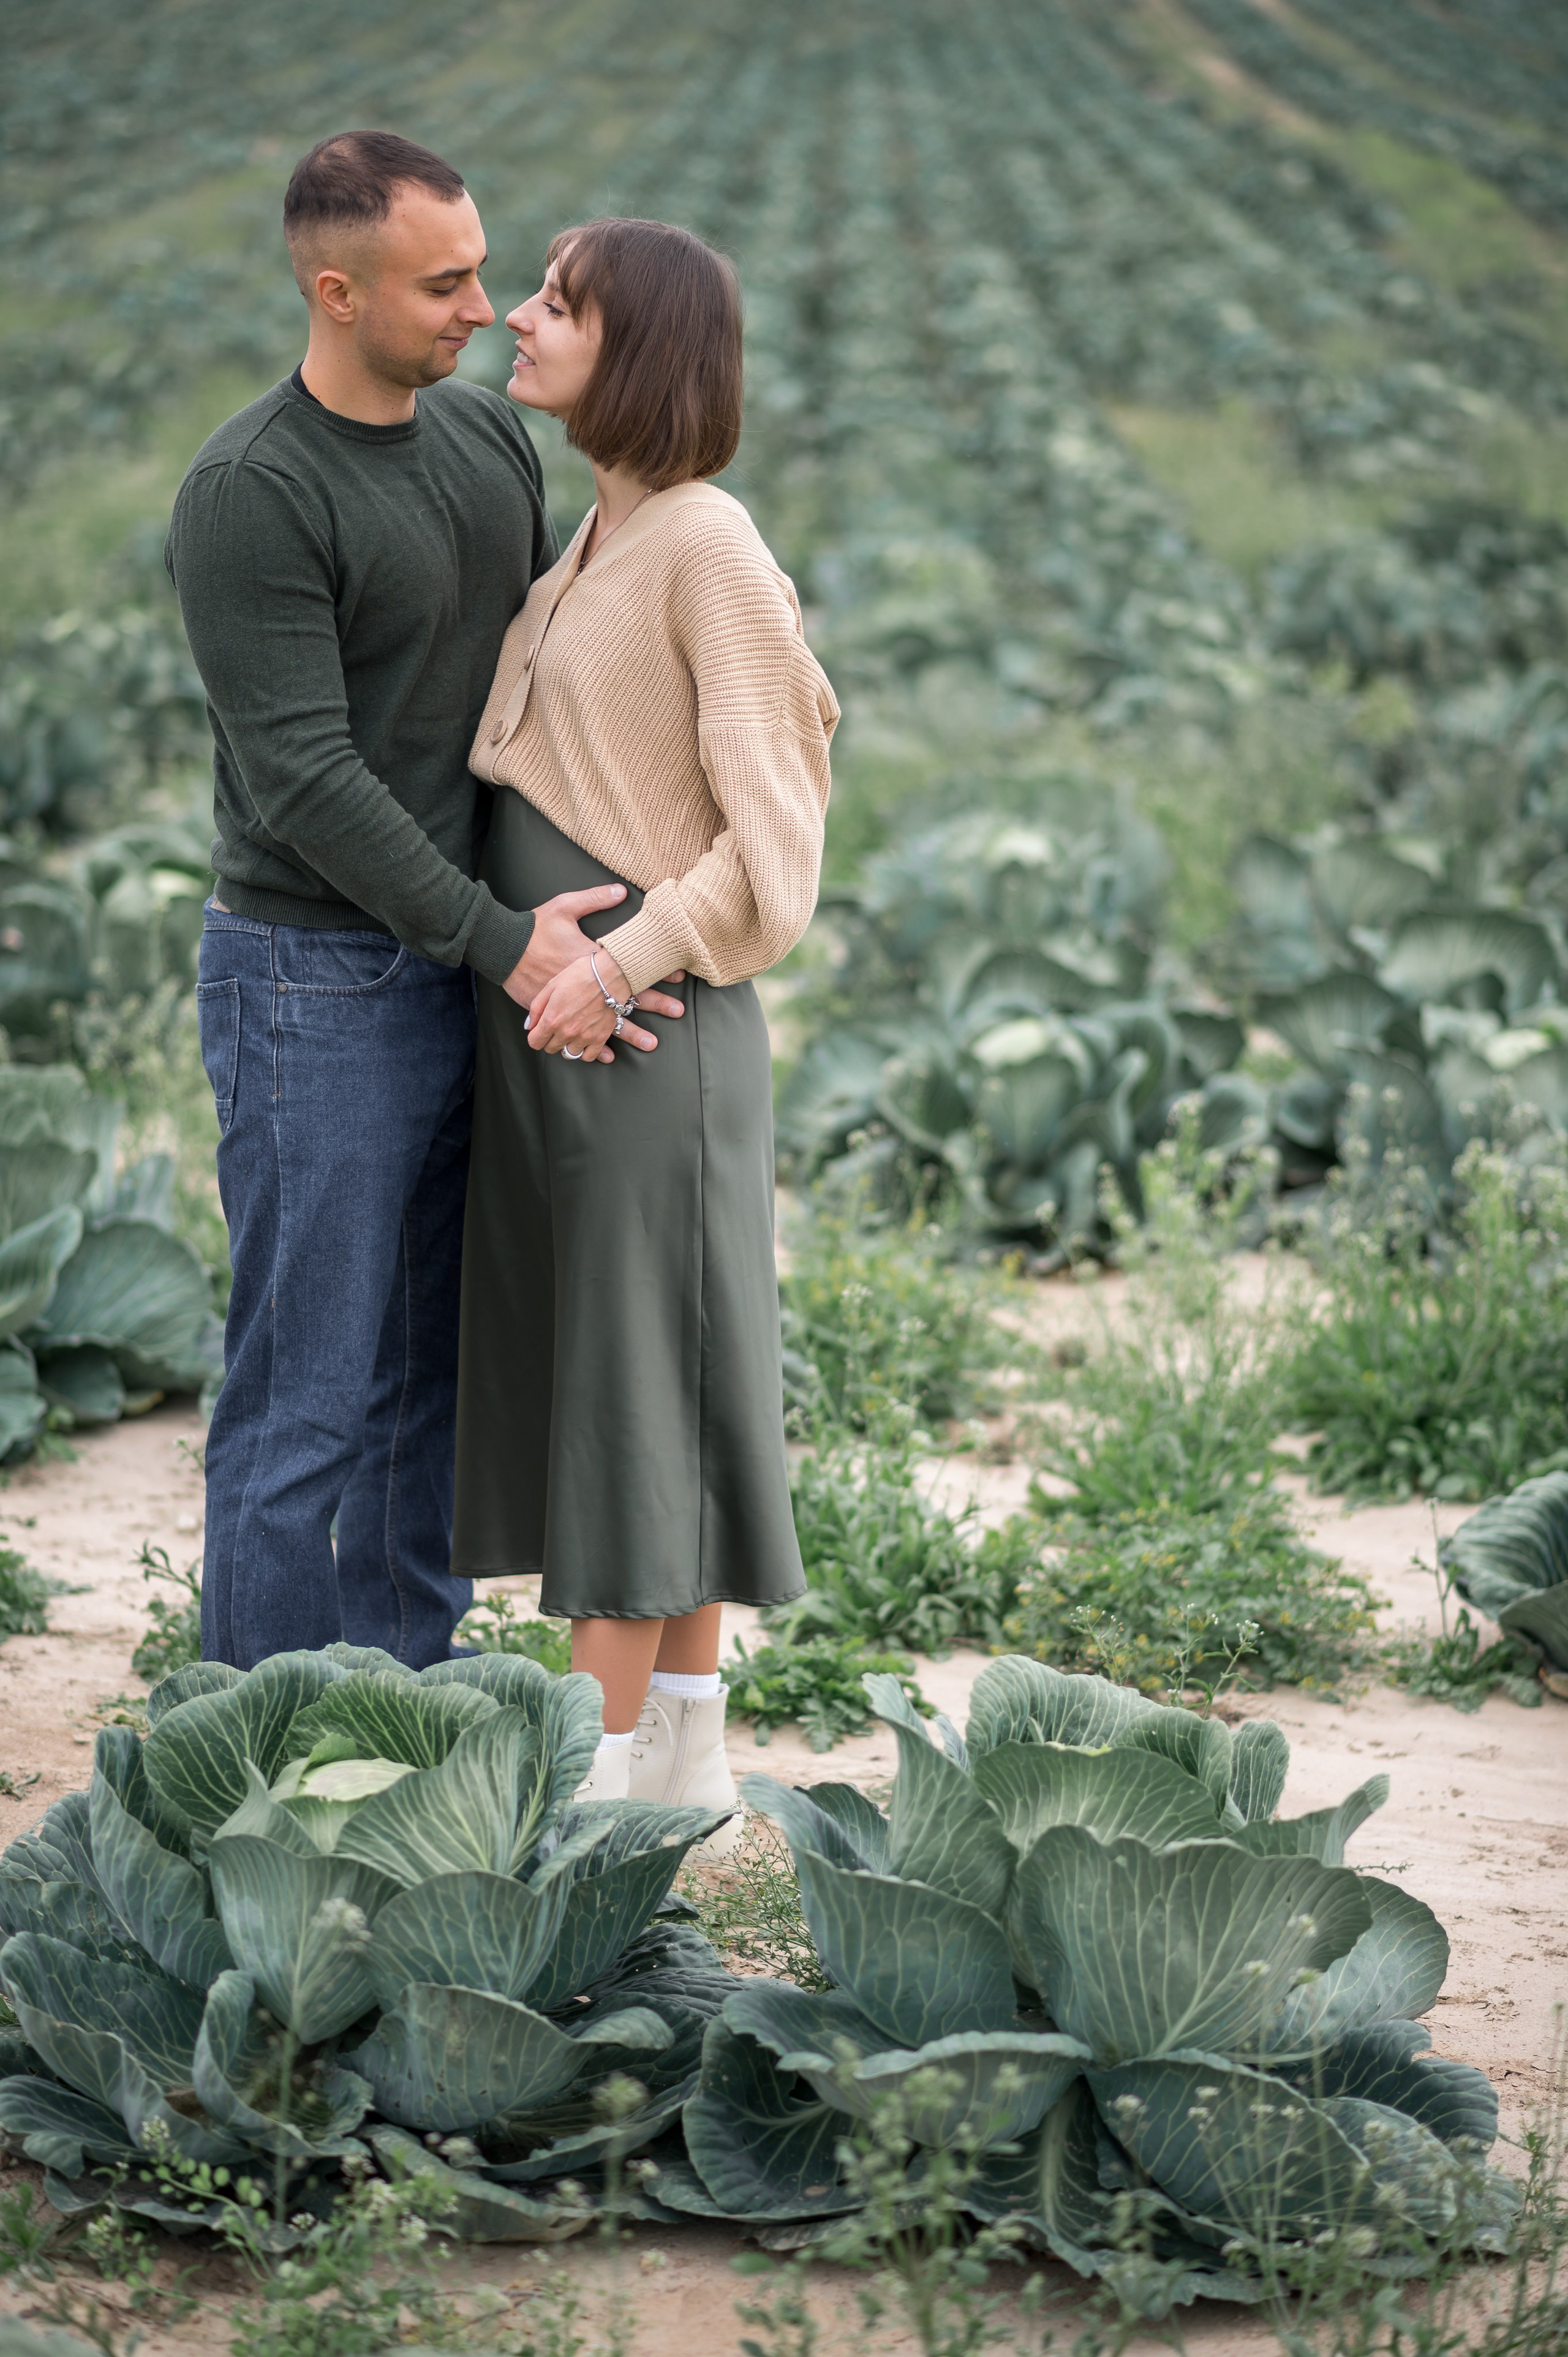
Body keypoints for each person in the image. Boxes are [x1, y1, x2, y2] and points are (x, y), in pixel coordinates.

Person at [165, 134, 684, 1673]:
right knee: (302, 1393)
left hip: (473, 962)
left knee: (426, 1385)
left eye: (480, 269)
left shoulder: (483, 452)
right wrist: (500, 934)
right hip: (311, 982)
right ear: (337, 290)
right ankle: (251, 1751)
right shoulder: (249, 491)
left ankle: (405, 1706)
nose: (484, 305)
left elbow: (543, 701)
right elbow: (308, 781)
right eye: (442, 282)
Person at [454, 216, 839, 1840]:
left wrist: (621, 962)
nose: (520, 320)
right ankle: (682, 1768)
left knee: (630, 1401)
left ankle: (579, 1812)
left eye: (560, 304)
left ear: (646, 351)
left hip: (645, 1044)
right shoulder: (595, 542)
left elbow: (782, 853)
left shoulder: (707, 547)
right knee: (648, 1390)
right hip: (576, 1047)